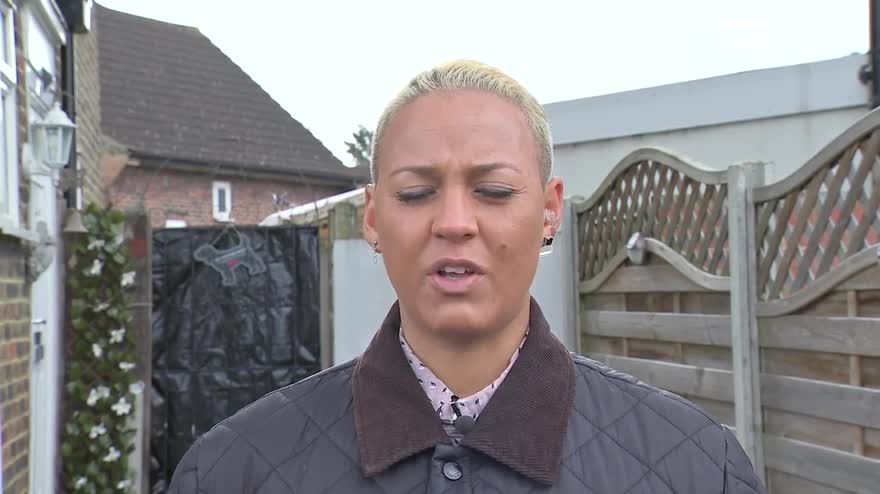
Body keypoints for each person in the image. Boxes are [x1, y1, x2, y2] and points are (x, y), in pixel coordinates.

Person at [168, 60, 767, 493]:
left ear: (550, 210)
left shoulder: (696, 468)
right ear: (373, 217)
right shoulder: (232, 471)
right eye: (417, 193)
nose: (454, 222)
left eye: (494, 190)